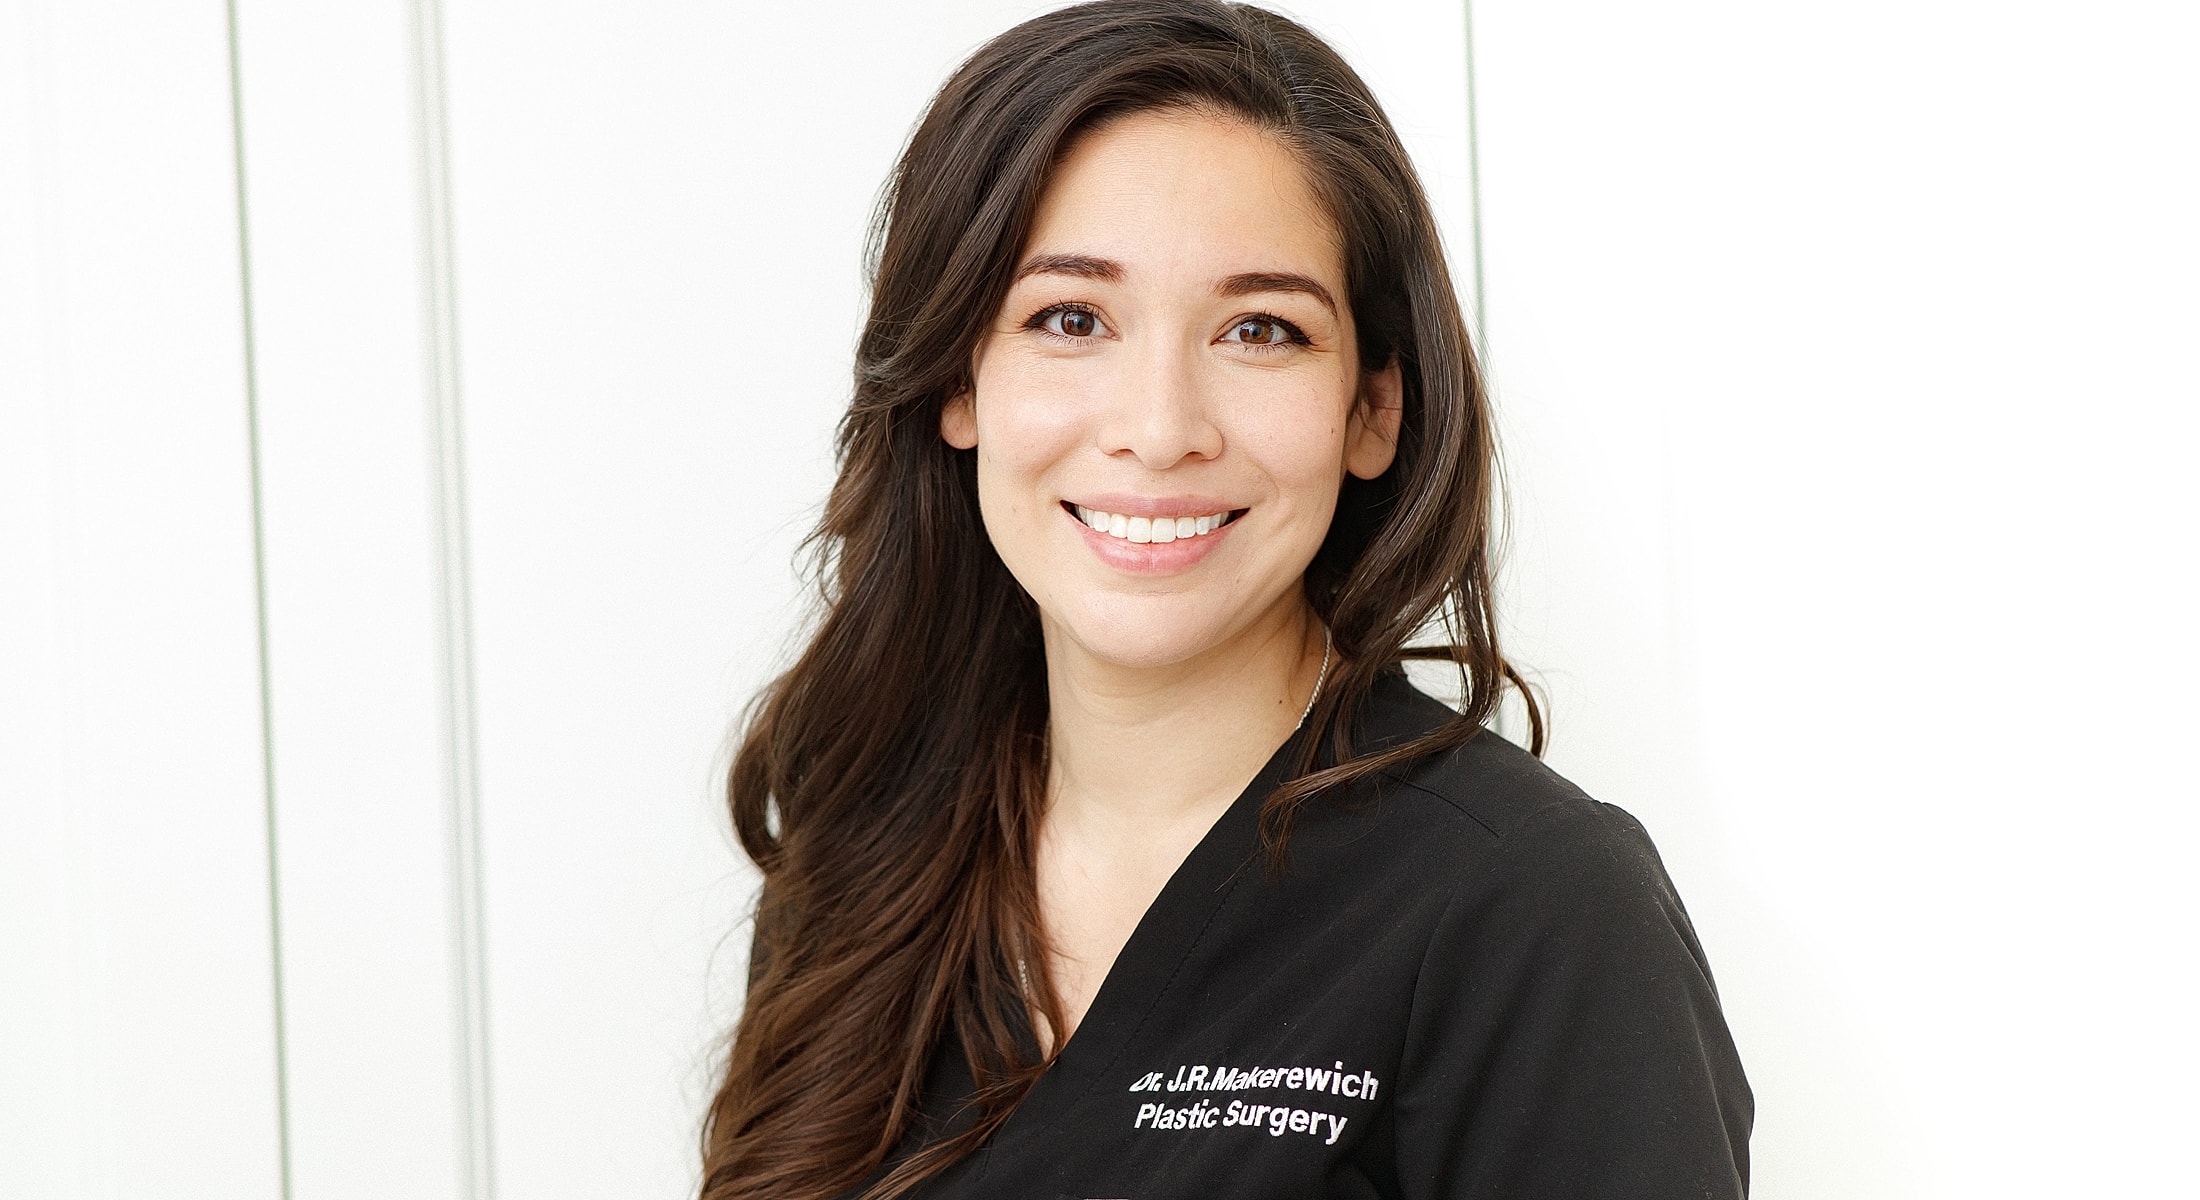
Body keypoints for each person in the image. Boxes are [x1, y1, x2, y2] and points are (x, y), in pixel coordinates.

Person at [701, 2, 1752, 1197]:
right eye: (1070, 319)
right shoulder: (864, 863)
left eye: (1259, 329)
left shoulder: (1537, 914)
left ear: (1373, 409)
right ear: (958, 383)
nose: (1159, 431)